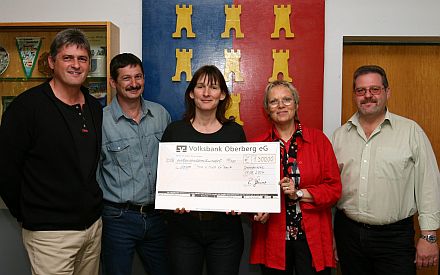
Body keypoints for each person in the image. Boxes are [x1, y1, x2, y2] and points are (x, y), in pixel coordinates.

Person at [0, 28, 103, 275]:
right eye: (67, 58)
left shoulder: (92, 106)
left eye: (82, 59)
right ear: (51, 62)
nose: (76, 65)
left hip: (92, 229)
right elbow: (5, 169)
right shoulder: (27, 107)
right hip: (50, 235)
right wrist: (29, 213)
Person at [331, 65, 440, 275]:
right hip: (348, 234)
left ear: (387, 92)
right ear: (354, 95)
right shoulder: (339, 136)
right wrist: (331, 236)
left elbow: (429, 186)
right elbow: (330, 190)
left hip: (394, 238)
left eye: (375, 89)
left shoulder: (411, 132)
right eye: (361, 91)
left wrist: (429, 236)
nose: (368, 96)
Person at [161, 65, 246, 275]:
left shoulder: (235, 133)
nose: (206, 93)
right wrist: (172, 201)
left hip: (226, 230)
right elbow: (164, 179)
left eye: (213, 87)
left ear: (223, 94)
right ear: (191, 93)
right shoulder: (175, 131)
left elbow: (243, 179)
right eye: (200, 87)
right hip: (183, 230)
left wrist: (241, 202)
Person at [249, 80, 342, 275]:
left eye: (286, 100)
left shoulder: (319, 141)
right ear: (267, 109)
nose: (281, 105)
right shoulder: (257, 145)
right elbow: (248, 192)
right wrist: (256, 210)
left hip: (312, 237)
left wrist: (299, 193)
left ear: (296, 105)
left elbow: (334, 189)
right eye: (274, 102)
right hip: (272, 238)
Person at [96, 53, 171, 275]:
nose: (134, 84)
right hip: (117, 219)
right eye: (126, 78)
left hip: (158, 216)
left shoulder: (160, 115)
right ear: (113, 82)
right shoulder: (100, 121)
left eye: (138, 76)